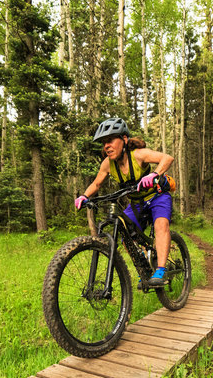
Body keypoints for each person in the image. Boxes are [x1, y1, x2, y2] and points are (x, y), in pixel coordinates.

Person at [74, 117, 175, 287]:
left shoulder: (138, 155)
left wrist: (154, 174)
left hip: (157, 197)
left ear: (124, 140)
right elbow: (97, 183)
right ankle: (144, 266)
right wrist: (84, 196)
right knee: (125, 238)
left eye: (110, 140)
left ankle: (161, 270)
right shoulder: (107, 164)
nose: (107, 146)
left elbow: (167, 158)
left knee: (160, 226)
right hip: (137, 204)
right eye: (104, 143)